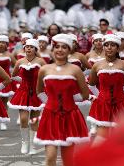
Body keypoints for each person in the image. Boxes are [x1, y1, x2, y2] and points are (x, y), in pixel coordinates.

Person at [34, 34, 89, 166]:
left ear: (69, 50)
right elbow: (39, 91)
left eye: (64, 47)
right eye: (57, 47)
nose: (60, 50)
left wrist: (69, 100)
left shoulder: (75, 70)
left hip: (70, 115)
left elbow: (85, 94)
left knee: (68, 159)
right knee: (50, 157)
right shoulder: (44, 69)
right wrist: (49, 103)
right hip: (50, 115)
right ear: (52, 50)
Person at [87, 34, 124, 146]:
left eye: (112, 45)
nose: (109, 47)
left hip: (121, 104)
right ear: (103, 47)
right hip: (103, 105)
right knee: (101, 138)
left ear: (117, 48)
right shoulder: (97, 65)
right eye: (106, 45)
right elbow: (91, 85)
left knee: (121, 139)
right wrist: (100, 97)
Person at [8, 39, 46, 155]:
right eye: (27, 47)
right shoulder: (20, 61)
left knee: (34, 121)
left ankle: (33, 145)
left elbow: (47, 76)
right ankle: (24, 142)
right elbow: (13, 76)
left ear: (35, 49)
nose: (28, 49)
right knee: (24, 119)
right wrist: (23, 81)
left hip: (36, 92)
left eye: (31, 47)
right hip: (23, 92)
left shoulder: (41, 61)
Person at [0, 35, 16, 130]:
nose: (1, 44)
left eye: (3, 43)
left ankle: (3, 120)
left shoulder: (10, 55)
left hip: (5, 80)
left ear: (7, 44)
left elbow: (16, 65)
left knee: (4, 101)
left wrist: (13, 76)